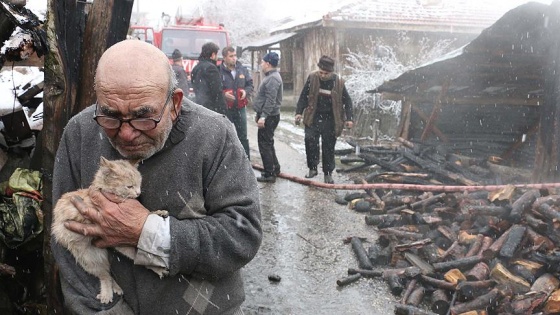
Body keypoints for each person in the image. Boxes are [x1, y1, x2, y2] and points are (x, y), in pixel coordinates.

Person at [51, 39, 262, 314]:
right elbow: (64, 242)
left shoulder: (214, 135)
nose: (126, 134)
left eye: (143, 117)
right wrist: (106, 310)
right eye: (110, 116)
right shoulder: (79, 132)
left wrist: (147, 232)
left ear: (174, 103)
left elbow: (242, 235)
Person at [295, 55, 353, 184]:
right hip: (313, 117)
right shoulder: (312, 78)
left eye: (326, 73)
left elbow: (347, 101)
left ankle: (328, 173)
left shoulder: (338, 82)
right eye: (321, 72)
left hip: (331, 119)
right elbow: (304, 96)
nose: (322, 75)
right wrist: (299, 112)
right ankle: (312, 168)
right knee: (310, 140)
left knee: (328, 146)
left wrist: (349, 118)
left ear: (331, 72)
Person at [252, 52, 282, 183]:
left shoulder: (273, 78)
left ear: (268, 64)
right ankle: (274, 168)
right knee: (268, 143)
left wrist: (263, 116)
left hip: (269, 116)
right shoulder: (271, 76)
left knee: (264, 144)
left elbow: (271, 100)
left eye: (263, 62)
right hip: (268, 115)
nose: (261, 64)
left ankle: (269, 173)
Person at [220, 46, 254, 159]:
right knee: (225, 136)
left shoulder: (242, 69)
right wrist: (224, 95)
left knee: (243, 136)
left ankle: (246, 161)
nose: (234, 58)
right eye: (231, 56)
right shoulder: (218, 71)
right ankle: (227, 161)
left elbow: (250, 85)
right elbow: (215, 89)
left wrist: (245, 91)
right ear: (224, 57)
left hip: (240, 108)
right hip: (226, 109)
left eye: (235, 56)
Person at [191, 41, 226, 114]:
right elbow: (217, 92)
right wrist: (223, 111)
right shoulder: (212, 68)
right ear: (213, 55)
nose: (217, 58)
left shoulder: (196, 68)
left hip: (199, 108)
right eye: (217, 55)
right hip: (211, 110)